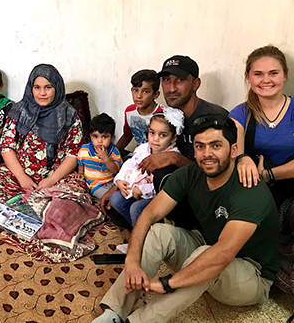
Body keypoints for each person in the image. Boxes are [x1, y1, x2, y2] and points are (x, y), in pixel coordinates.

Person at [93, 114, 279, 323]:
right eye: (200, 146)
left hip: (252, 275)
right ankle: (113, 313)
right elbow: (149, 214)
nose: (207, 154)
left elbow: (223, 253)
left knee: (206, 254)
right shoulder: (191, 174)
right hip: (208, 247)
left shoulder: (249, 189)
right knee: (158, 232)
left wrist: (166, 283)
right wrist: (133, 260)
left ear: (234, 150)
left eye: (216, 146)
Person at [229, 45, 294, 323]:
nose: (266, 80)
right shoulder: (241, 112)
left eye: (273, 73)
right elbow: (234, 149)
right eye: (258, 73)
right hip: (255, 197)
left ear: (285, 75)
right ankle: (276, 278)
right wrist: (242, 158)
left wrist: (270, 174)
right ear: (248, 77)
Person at [0, 63, 83, 205]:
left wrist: (52, 180)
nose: (42, 93)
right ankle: (40, 206)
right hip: (20, 176)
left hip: (56, 178)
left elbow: (73, 153)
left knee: (77, 191)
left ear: (57, 88)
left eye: (48, 87)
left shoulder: (69, 116)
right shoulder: (19, 111)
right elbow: (6, 147)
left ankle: (27, 205)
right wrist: (22, 177)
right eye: (37, 87)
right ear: (31, 88)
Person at [139, 55, 228, 174]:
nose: (171, 88)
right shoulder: (163, 118)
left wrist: (174, 158)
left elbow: (220, 170)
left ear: (196, 84)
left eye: (181, 80)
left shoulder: (214, 118)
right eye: (166, 80)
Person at [100, 108, 183, 227]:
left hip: (155, 195)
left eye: (163, 135)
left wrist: (142, 190)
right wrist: (120, 180)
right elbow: (129, 164)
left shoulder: (172, 156)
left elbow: (163, 185)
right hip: (135, 189)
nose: (155, 139)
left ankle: (144, 240)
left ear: (173, 138)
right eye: (152, 133)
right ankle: (137, 230)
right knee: (116, 199)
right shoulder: (144, 149)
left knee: (136, 208)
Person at [115, 70, 163, 155]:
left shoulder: (162, 114)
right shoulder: (130, 111)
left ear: (156, 95)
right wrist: (113, 153)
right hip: (138, 155)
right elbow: (127, 135)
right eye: (135, 90)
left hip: (157, 157)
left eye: (145, 91)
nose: (139, 96)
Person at [76, 113, 122, 198]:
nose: (99, 141)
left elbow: (115, 171)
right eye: (95, 137)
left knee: (123, 193)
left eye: (104, 137)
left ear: (112, 138)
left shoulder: (114, 152)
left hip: (112, 182)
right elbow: (80, 162)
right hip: (96, 185)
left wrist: (105, 158)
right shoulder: (84, 150)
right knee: (110, 197)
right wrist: (80, 172)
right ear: (91, 137)